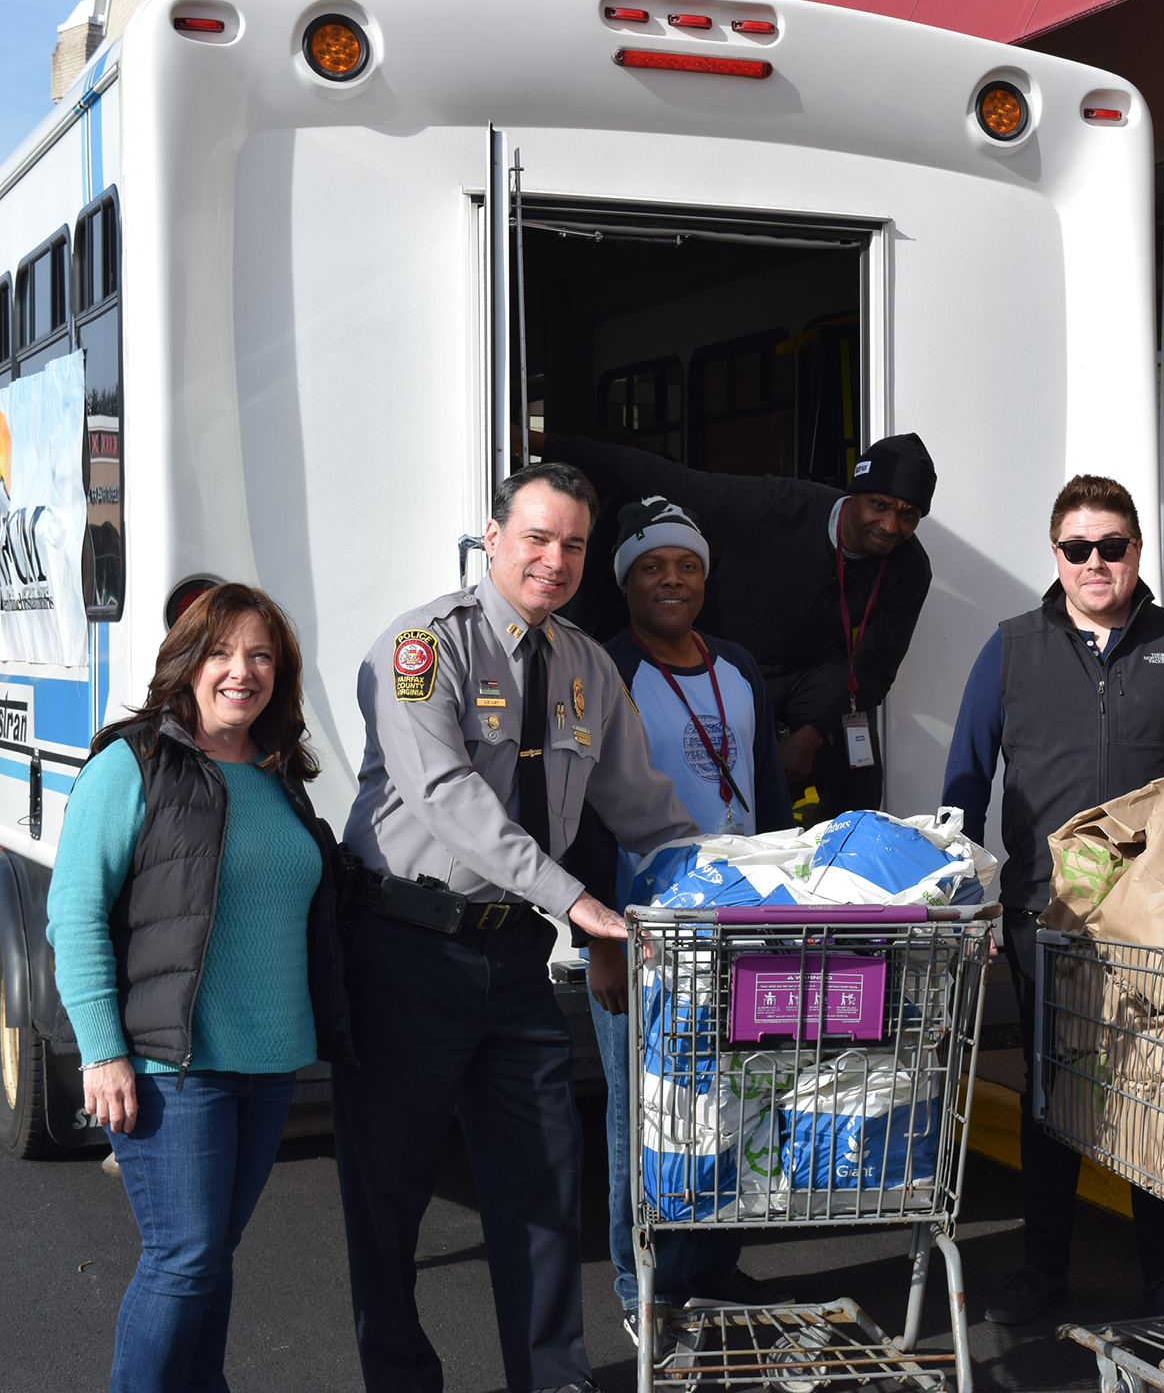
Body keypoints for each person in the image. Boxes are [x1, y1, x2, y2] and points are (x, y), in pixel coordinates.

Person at [334, 462, 700, 1393]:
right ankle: (402, 1381)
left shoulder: (586, 664)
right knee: (390, 1197)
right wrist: (573, 899)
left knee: (542, 1189)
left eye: (573, 544)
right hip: (407, 951)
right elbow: (446, 793)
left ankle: (555, 1382)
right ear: (491, 538)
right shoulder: (421, 647)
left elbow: (643, 809)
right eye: (537, 538)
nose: (555, 559)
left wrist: (737, 892)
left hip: (514, 960)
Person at [942, 474, 1164, 1326]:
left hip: (1163, 923)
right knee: (1053, 1102)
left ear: (1136, 552)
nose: (1095, 563)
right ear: (1056, 556)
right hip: (1049, 919)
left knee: (1160, 1102)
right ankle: (1043, 1270)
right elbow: (965, 782)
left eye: (1111, 546)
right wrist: (961, 900)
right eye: (1077, 548)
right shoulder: (1011, 647)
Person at [47, 583, 353, 1393]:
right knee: (183, 1259)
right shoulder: (133, 762)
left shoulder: (279, 774)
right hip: (170, 1065)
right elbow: (74, 914)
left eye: (260, 655)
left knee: (211, 1256)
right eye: (221, 652)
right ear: (187, 663)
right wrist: (103, 1052)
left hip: (268, 1062)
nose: (240, 671)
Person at [561, 495, 795, 1342]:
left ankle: (712, 1265)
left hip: (741, 925)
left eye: (687, 565)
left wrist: (786, 905)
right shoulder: (601, 665)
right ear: (625, 579)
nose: (672, 580)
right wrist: (600, 943)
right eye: (653, 565)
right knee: (645, 1113)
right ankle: (643, 1286)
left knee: (736, 1100)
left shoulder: (735, 664)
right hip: (644, 934)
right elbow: (580, 806)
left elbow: (765, 795)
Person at [546, 431, 937, 824]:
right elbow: (662, 477)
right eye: (879, 505)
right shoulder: (779, 505)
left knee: (857, 756)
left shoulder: (909, 567)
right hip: (727, 660)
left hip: (810, 669)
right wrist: (541, 442)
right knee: (725, 754)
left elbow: (875, 670)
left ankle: (847, 860)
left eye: (908, 515)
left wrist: (815, 732)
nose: (890, 526)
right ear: (855, 494)